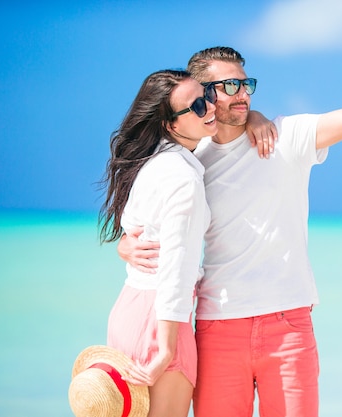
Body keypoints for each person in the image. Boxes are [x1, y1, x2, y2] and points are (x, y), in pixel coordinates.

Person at [119, 41, 342, 417]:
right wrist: (126, 245)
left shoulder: (287, 137)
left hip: (289, 327)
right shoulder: (193, 160)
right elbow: (156, 218)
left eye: (247, 85)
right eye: (230, 86)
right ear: (206, 97)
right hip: (216, 327)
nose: (243, 93)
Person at [98, 69, 217, 417]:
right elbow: (176, 267)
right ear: (170, 124)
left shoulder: (153, 162)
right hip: (163, 320)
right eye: (197, 105)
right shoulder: (183, 179)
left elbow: (133, 228)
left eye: (207, 95)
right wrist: (167, 349)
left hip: (129, 309)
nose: (210, 106)